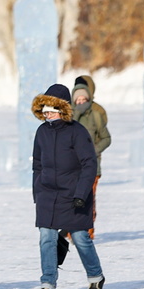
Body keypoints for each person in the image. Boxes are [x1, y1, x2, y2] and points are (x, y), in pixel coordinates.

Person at [32, 83, 105, 289]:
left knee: (81, 237)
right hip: (47, 194)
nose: (48, 113)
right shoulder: (42, 132)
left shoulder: (77, 132)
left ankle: (95, 276)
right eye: (45, 109)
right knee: (46, 237)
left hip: (74, 195)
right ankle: (48, 283)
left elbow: (89, 163)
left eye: (52, 109)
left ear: (62, 109)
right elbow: (37, 164)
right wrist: (37, 190)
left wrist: (82, 194)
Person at [55, 74, 112, 264]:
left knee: (88, 199)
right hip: (71, 167)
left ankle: (88, 232)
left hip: (91, 166)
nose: (80, 101)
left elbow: (105, 137)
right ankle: (71, 230)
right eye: (76, 98)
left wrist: (92, 150)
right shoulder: (68, 114)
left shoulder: (97, 112)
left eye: (83, 98)